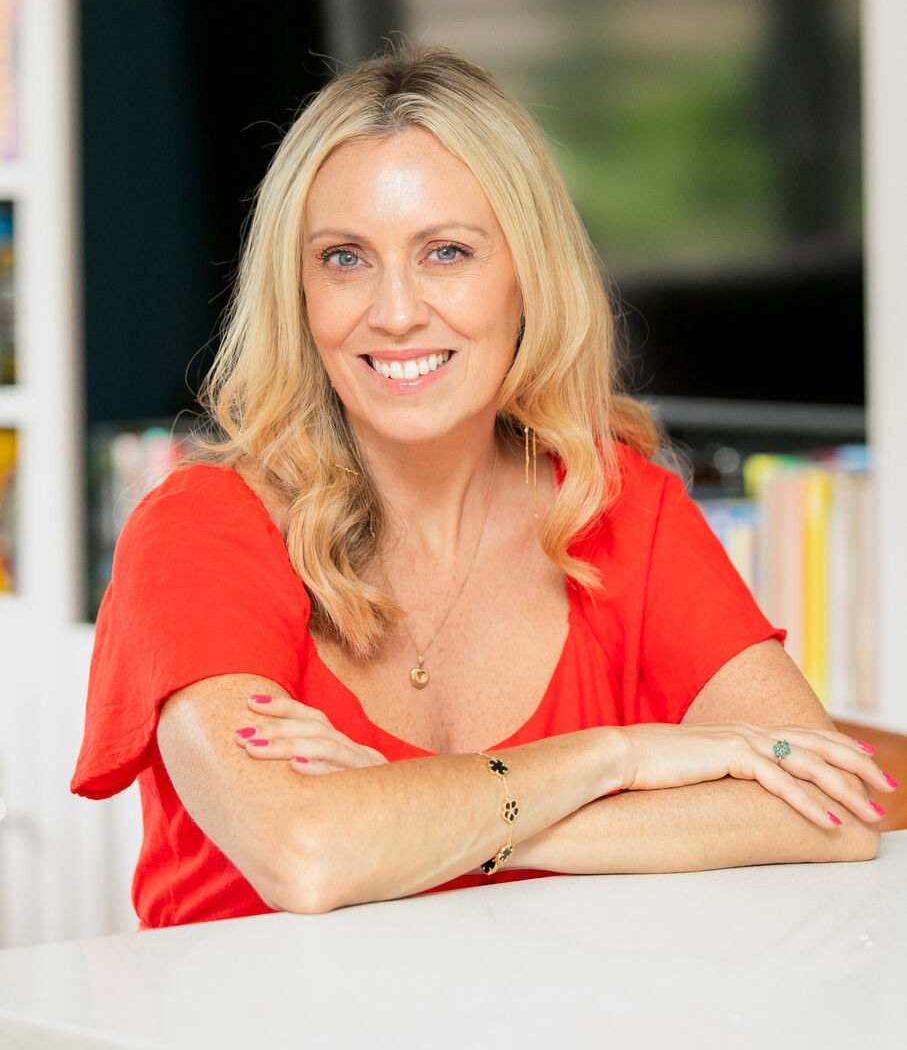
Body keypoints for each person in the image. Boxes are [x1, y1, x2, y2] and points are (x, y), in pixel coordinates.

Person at [72, 45, 893, 928]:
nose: (393, 311)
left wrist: (418, 811)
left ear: (527, 279)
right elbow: (307, 855)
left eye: (447, 252)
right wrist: (609, 758)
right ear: (297, 293)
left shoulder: (619, 510)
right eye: (344, 258)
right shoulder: (200, 530)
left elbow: (830, 809)